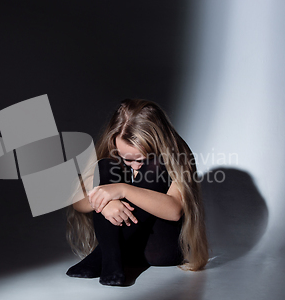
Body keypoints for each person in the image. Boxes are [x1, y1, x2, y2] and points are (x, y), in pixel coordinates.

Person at [66, 99, 209, 286]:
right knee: (106, 166)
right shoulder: (113, 155)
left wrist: (121, 189)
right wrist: (107, 202)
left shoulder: (175, 155)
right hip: (122, 250)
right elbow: (78, 201)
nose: (134, 166)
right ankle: (110, 258)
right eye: (127, 159)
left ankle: (101, 257)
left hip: (158, 250)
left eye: (140, 159)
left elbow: (174, 211)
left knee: (155, 168)